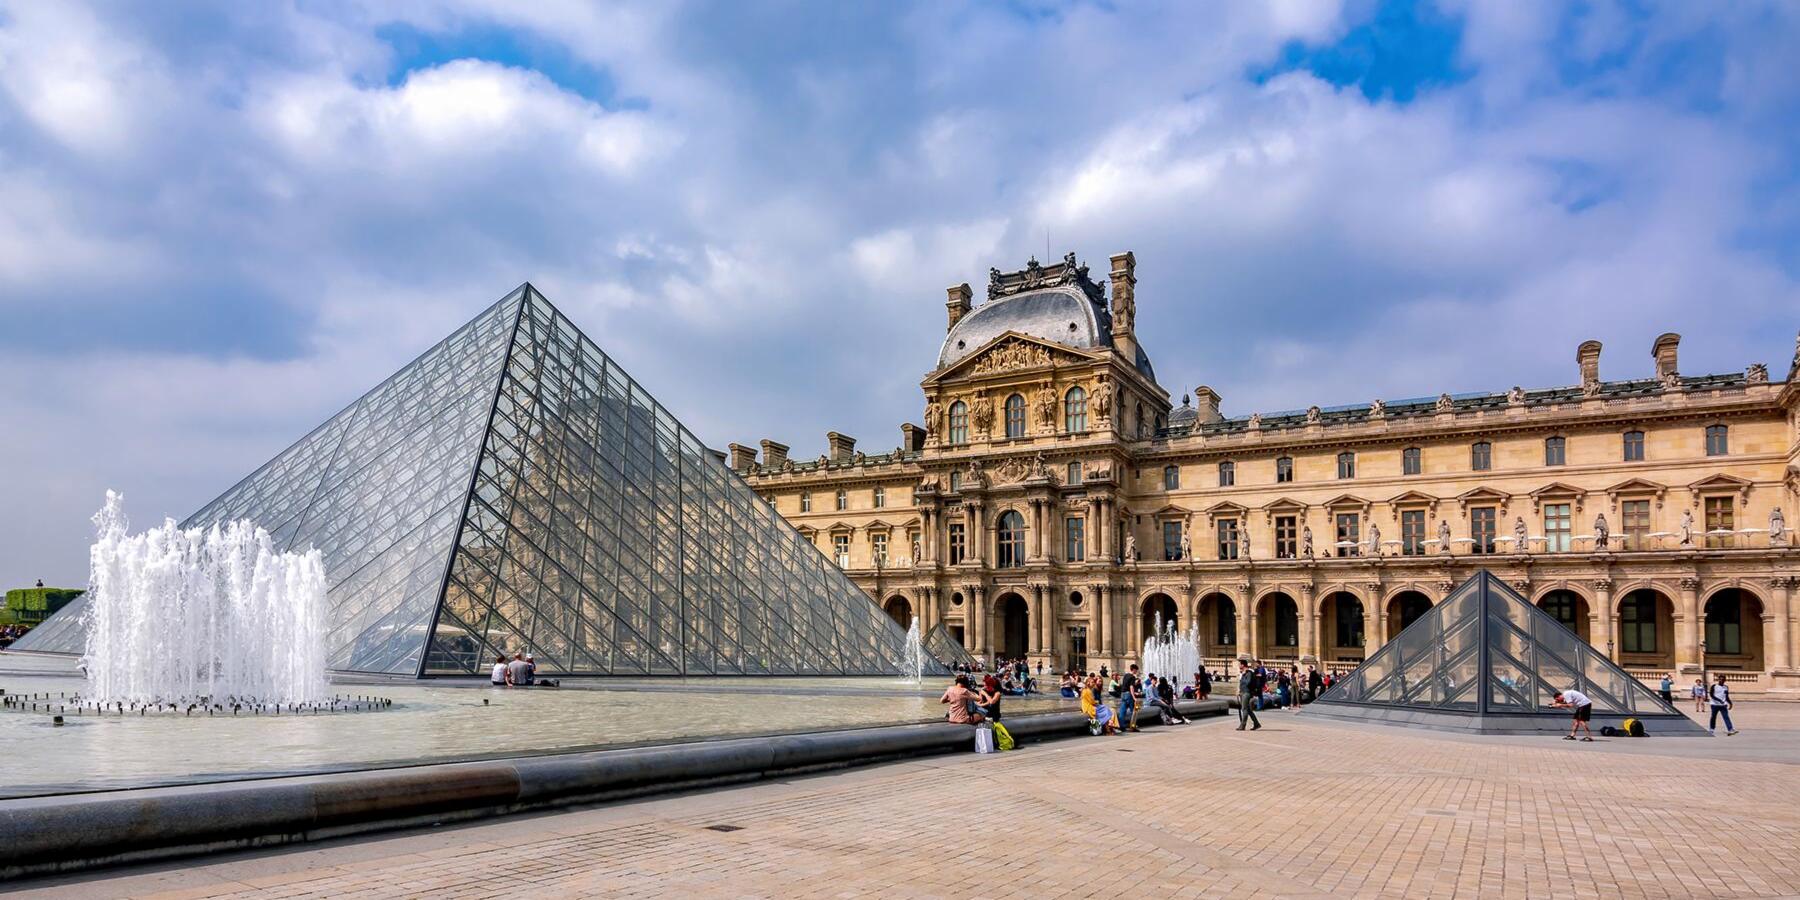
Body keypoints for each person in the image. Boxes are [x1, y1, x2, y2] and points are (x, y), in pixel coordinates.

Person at [1235, 660, 1261, 731]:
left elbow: (1248, 682)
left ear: (1243, 665)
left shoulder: (1249, 673)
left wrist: (1243, 677)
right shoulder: (1244, 673)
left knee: (1244, 709)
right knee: (1248, 709)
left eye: (1239, 664)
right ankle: (1256, 723)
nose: (1239, 666)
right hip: (1243, 692)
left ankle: (1243, 725)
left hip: (1246, 693)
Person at [1118, 664, 1143, 732]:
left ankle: (1121, 726)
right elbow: (1131, 687)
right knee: (1134, 711)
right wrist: (1134, 697)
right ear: (1134, 669)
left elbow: (1125, 685)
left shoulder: (1126, 675)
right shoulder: (1132, 677)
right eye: (1136, 670)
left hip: (1123, 694)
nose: (1136, 671)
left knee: (1122, 711)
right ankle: (1133, 727)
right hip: (1128, 695)